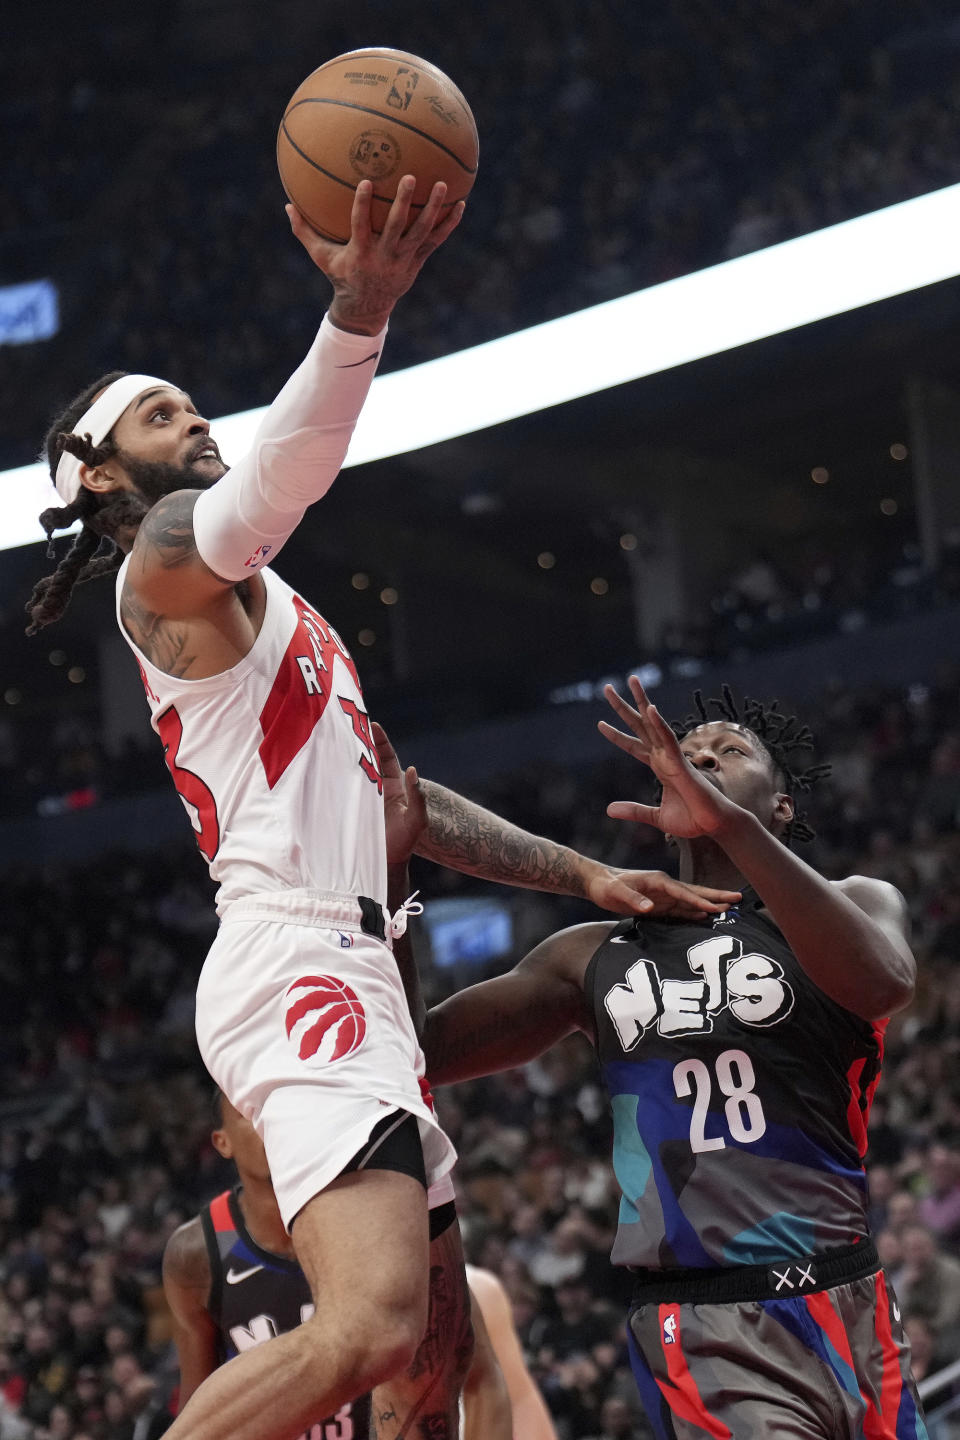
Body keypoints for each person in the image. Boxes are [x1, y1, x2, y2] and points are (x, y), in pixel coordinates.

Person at [27, 177, 735, 1440]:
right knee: (370, 1329)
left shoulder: (279, 611)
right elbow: (273, 490)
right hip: (299, 959)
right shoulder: (164, 567)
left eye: (188, 401)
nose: (191, 417)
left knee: (432, 1368)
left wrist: (584, 878)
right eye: (155, 412)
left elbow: (407, 802)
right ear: (94, 476)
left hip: (361, 965)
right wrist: (357, 315)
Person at [418, 678, 929, 1439]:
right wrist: (385, 900)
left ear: (783, 806)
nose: (702, 762)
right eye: (686, 757)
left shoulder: (859, 899)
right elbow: (419, 1054)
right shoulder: (592, 952)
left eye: (729, 752)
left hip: (850, 1293)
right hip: (705, 1321)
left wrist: (733, 829)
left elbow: (882, 985)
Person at [163, 1092, 512, 1440]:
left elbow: (480, 1380)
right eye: (249, 1112)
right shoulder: (197, 1253)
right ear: (222, 1142)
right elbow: (196, 1404)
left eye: (276, 1107)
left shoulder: (383, 1218)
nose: (267, 1122)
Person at [464, 1265, 558, 1440]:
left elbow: (541, 1368)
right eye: (515, 1304)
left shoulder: (542, 1328)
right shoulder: (494, 1325)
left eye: (524, 1305)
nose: (519, 1310)